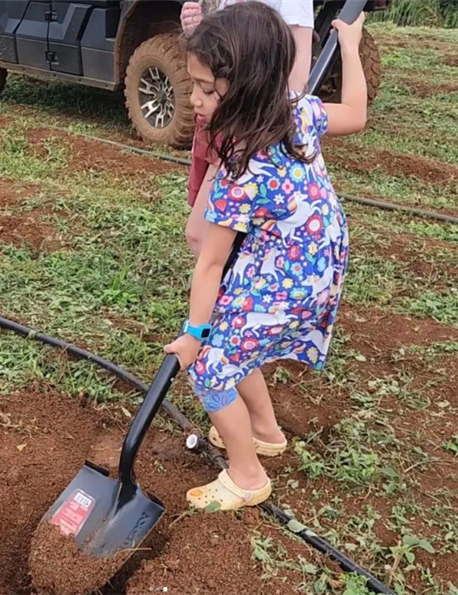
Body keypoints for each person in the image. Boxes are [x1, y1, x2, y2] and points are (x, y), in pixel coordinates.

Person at [165, 2, 367, 511]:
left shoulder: (239, 170)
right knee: (229, 331)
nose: (196, 99)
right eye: (194, 84)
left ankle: (247, 474)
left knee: (210, 367)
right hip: (313, 261)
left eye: (209, 90)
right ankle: (265, 432)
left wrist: (193, 335)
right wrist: (349, 46)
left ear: (250, 84)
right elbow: (357, 115)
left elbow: (210, 262)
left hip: (288, 276)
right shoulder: (296, 109)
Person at [182, 0, 315, 258]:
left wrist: (257, 133)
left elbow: (294, 81)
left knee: (204, 236)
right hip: (226, 121)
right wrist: (199, 33)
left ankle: (224, 288)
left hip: (248, 130)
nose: (192, 97)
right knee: (204, 234)